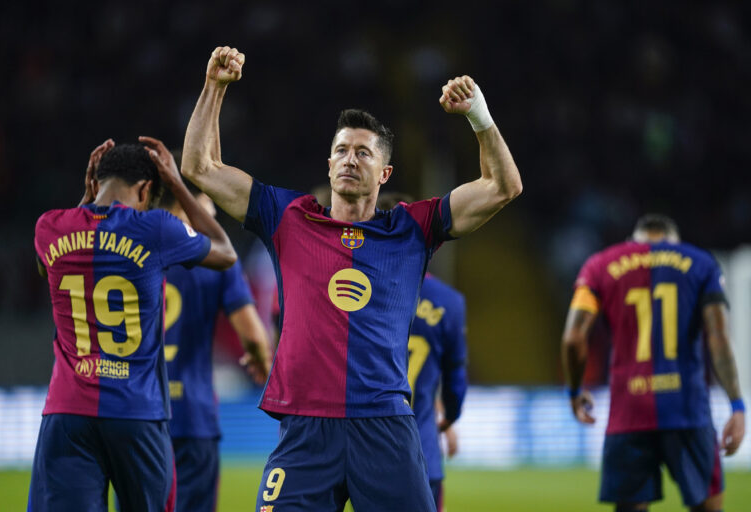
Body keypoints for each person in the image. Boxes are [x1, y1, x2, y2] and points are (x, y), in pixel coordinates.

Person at [182, 46, 522, 511]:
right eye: (340, 150)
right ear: (328, 165)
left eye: (363, 152)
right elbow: (200, 167)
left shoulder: (412, 227)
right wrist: (214, 87)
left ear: (384, 173)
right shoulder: (288, 217)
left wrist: (479, 117)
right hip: (305, 429)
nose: (349, 159)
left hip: (383, 426)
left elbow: (504, 187)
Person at [30, 137, 237, 512]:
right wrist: (177, 184)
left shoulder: (49, 227)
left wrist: (86, 197)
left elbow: (47, 265)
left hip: (67, 412)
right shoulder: (154, 228)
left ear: (95, 182)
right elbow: (225, 252)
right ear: (145, 190)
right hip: (137, 412)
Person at [561, 214, 746, 512]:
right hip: (688, 411)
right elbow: (719, 337)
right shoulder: (701, 263)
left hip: (628, 414)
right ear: (674, 241)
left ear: (633, 239)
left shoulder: (599, 265)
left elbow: (573, 338)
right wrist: (737, 405)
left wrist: (573, 390)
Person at [157, 178, 271, 511]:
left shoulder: (131, 250)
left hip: (138, 414)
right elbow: (252, 334)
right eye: (207, 206)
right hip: (193, 415)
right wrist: (260, 363)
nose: (212, 215)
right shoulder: (216, 257)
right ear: (186, 202)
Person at [377, 192, 468, 511]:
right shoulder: (449, 301)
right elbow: (456, 377)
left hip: (366, 448)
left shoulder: (354, 286)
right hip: (422, 449)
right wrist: (450, 416)